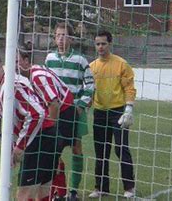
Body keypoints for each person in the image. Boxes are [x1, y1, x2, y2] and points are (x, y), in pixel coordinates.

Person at [0, 50, 59, 201]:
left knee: (24, 196)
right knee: (43, 193)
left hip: (42, 137)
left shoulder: (12, 86)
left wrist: (19, 146)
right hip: (44, 136)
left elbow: (37, 114)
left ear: (0, 66)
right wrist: (10, 148)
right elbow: (10, 122)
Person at [17, 45, 77, 200]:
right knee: (52, 158)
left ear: (25, 61)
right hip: (64, 111)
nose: (13, 67)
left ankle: (59, 194)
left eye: (16, 62)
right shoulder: (34, 74)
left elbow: (54, 103)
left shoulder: (37, 76)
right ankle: (59, 193)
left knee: (51, 155)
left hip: (65, 113)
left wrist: (51, 131)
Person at [45, 22, 94, 201]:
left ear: (71, 38)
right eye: (57, 35)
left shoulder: (80, 60)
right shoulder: (49, 58)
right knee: (54, 151)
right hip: (56, 112)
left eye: (64, 35)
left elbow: (90, 84)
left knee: (76, 148)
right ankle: (59, 191)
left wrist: (81, 104)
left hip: (74, 112)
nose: (60, 39)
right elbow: (45, 83)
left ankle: (73, 191)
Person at [89, 30, 136, 199]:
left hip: (118, 112)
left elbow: (129, 87)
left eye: (103, 43)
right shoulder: (92, 67)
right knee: (101, 151)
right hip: (99, 112)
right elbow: (89, 90)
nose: (100, 47)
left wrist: (129, 108)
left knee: (121, 149)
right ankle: (101, 187)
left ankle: (129, 187)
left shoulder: (121, 64)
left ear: (110, 44)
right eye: (98, 44)